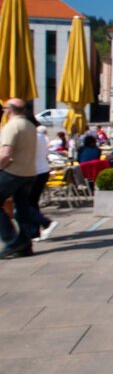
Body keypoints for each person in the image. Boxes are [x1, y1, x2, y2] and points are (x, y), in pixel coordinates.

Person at [0, 98, 38, 258]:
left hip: (13, 173)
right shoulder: (30, 126)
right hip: (29, 173)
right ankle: (25, 244)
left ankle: (12, 241)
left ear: (9, 110)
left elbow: (6, 154)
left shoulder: (12, 126)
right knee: (22, 209)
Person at [29, 124, 57, 241]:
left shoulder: (31, 136)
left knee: (25, 203)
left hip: (33, 172)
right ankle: (34, 232)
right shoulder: (41, 137)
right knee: (32, 202)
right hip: (43, 170)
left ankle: (45, 224)